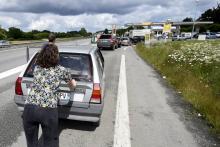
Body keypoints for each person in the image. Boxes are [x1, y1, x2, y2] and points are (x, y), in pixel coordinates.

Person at [22, 43, 76, 147]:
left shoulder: (36, 67)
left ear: (42, 55)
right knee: (50, 143)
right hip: (48, 111)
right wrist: (74, 84)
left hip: (29, 109)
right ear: (56, 56)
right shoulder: (62, 70)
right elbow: (72, 86)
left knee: (31, 143)